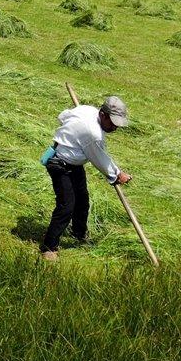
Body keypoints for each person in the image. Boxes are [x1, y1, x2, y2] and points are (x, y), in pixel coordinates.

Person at [38, 96, 133, 261]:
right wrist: (117, 174)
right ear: (103, 115)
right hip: (59, 164)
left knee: (82, 200)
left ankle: (79, 234)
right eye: (112, 123)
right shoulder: (93, 133)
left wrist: (72, 133)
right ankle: (49, 247)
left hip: (74, 164)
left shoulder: (87, 110)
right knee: (66, 206)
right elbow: (99, 159)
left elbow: (63, 116)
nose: (115, 127)